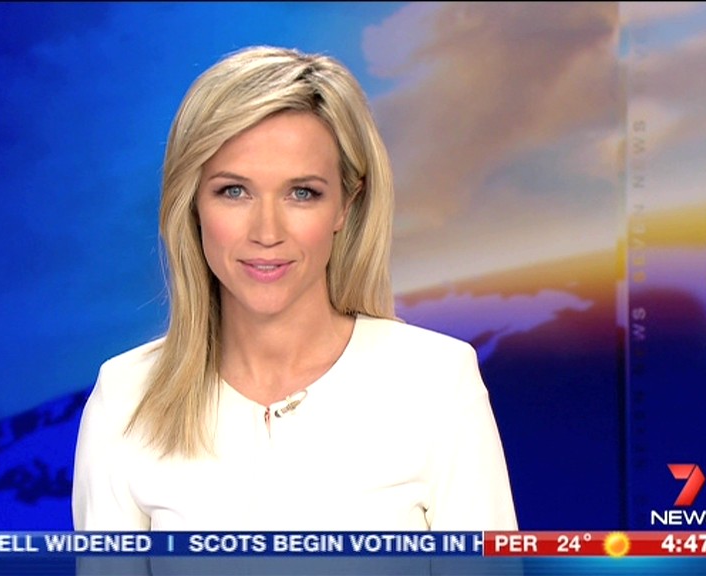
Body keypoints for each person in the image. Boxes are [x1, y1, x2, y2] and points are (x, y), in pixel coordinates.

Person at [72, 45, 517, 534]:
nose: (267, 232)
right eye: (234, 191)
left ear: (346, 204)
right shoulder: (126, 398)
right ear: (192, 202)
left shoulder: (437, 382)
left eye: (302, 193)